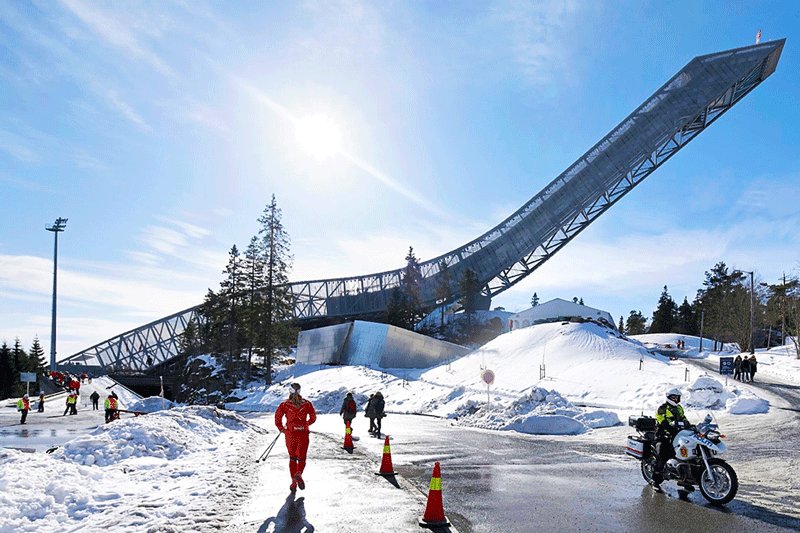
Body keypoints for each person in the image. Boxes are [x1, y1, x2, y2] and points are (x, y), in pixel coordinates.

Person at [274, 383, 317, 492]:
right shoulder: (307, 404)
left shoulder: (284, 404)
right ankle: (299, 474)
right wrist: (306, 424)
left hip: (290, 434)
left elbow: (277, 418)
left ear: (290, 391)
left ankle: (293, 483)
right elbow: (313, 417)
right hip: (303, 433)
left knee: (292, 458)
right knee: (302, 458)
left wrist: (281, 429)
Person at [652, 387, 692, 490]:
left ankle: (684, 480)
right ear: (669, 397)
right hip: (663, 435)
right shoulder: (662, 408)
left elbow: (684, 418)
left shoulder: (679, 408)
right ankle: (655, 480)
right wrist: (669, 427)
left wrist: (690, 425)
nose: (676, 400)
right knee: (662, 453)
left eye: (677, 397)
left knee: (685, 453)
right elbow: (662, 421)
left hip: (677, 434)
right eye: (674, 397)